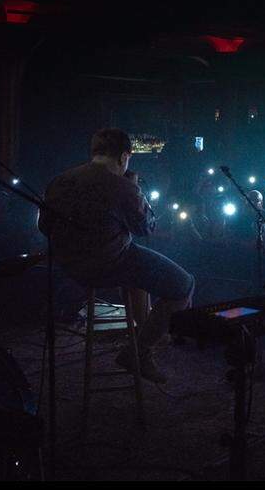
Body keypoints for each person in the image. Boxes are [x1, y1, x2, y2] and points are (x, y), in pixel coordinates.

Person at [39, 128, 195, 383]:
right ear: (124, 156)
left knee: (140, 270)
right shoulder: (122, 186)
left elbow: (44, 226)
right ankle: (140, 352)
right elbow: (146, 228)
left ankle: (145, 329)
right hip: (108, 264)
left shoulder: (60, 180)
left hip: (67, 265)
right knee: (184, 284)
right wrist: (136, 191)